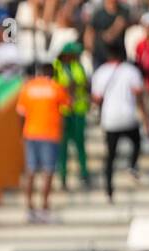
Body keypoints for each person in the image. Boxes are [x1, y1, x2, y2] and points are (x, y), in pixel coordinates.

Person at [91, 46, 149, 205]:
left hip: (110, 119)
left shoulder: (101, 72)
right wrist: (146, 120)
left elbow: (96, 98)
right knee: (137, 142)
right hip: (128, 117)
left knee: (110, 157)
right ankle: (132, 165)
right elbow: (139, 96)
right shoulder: (131, 71)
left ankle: (109, 191)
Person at [16, 62, 71, 223]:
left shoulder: (28, 87)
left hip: (30, 133)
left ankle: (30, 208)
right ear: (53, 73)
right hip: (49, 133)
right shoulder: (55, 87)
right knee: (48, 171)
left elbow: (20, 113)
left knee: (31, 171)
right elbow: (67, 106)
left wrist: (21, 134)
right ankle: (44, 208)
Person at [53, 43, 91, 192]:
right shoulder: (56, 67)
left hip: (78, 109)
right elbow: (56, 86)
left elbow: (84, 83)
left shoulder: (78, 66)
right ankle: (62, 176)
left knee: (80, 142)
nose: (77, 56)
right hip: (62, 111)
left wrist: (78, 85)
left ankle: (84, 172)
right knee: (63, 145)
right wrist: (68, 87)